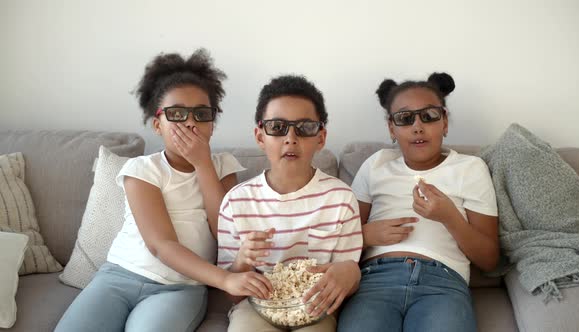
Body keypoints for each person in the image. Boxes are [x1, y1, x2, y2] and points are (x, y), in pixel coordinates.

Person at [55, 49, 272, 332]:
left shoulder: (222, 167)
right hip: (117, 278)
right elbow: (161, 245)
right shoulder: (142, 169)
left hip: (181, 289)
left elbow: (225, 232)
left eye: (201, 114)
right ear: (158, 124)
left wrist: (203, 164)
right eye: (177, 113)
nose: (190, 122)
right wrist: (224, 279)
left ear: (212, 126)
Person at [337, 73, 499, 332]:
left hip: (443, 283)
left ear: (445, 122)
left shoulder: (470, 168)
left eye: (429, 115)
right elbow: (338, 241)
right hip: (374, 281)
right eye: (404, 118)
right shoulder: (376, 165)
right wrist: (364, 235)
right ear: (392, 128)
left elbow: (490, 260)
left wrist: (449, 217)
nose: (417, 126)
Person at [217, 75, 363, 332]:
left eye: (305, 127)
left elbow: (346, 276)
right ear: (260, 136)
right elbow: (231, 292)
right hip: (256, 306)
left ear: (321, 137)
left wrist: (349, 273)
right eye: (277, 127)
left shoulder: (341, 198)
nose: (291, 138)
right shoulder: (236, 201)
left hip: (316, 306)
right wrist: (243, 260)